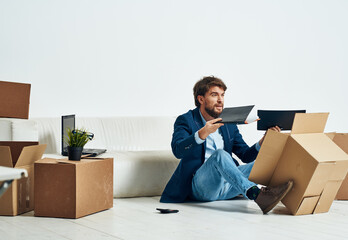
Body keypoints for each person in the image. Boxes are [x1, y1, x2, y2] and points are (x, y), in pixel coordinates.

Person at [160, 76, 293, 214]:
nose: (220, 100)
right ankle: (257, 195)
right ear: (201, 99)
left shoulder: (229, 123)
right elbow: (178, 150)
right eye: (214, 95)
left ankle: (288, 197)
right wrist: (202, 134)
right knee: (220, 155)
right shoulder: (186, 120)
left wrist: (263, 142)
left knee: (264, 163)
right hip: (202, 188)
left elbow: (246, 155)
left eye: (222, 95)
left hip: (228, 186)